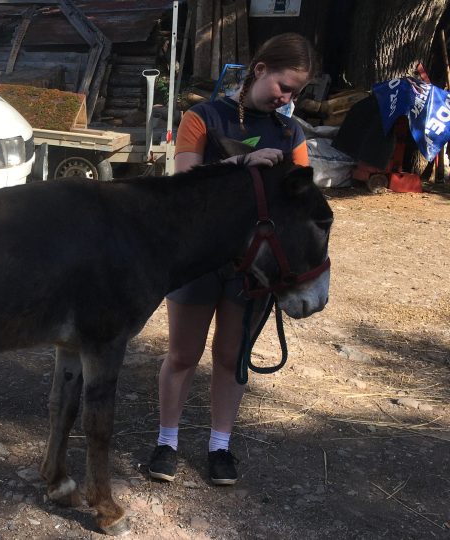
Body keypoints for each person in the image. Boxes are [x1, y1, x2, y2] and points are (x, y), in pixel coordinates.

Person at [147, 33, 317, 486]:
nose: (288, 98)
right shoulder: (202, 116)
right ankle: (167, 441)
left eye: (295, 93)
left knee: (231, 356)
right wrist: (242, 164)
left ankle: (220, 447)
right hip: (197, 257)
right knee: (183, 354)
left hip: (253, 266)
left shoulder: (291, 132)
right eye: (285, 86)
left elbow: (297, 202)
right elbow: (182, 183)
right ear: (260, 69)